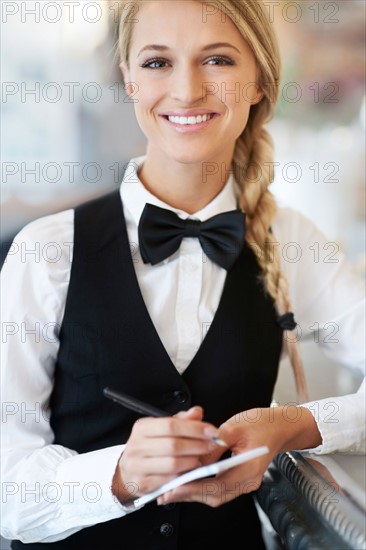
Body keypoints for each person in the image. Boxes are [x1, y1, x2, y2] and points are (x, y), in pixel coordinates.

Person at [1, 1, 365, 549]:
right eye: (156, 63)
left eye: (217, 60)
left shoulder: (290, 241)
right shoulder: (45, 252)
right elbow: (6, 489)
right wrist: (120, 475)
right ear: (127, 79)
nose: (187, 89)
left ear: (261, 81)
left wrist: (293, 424)